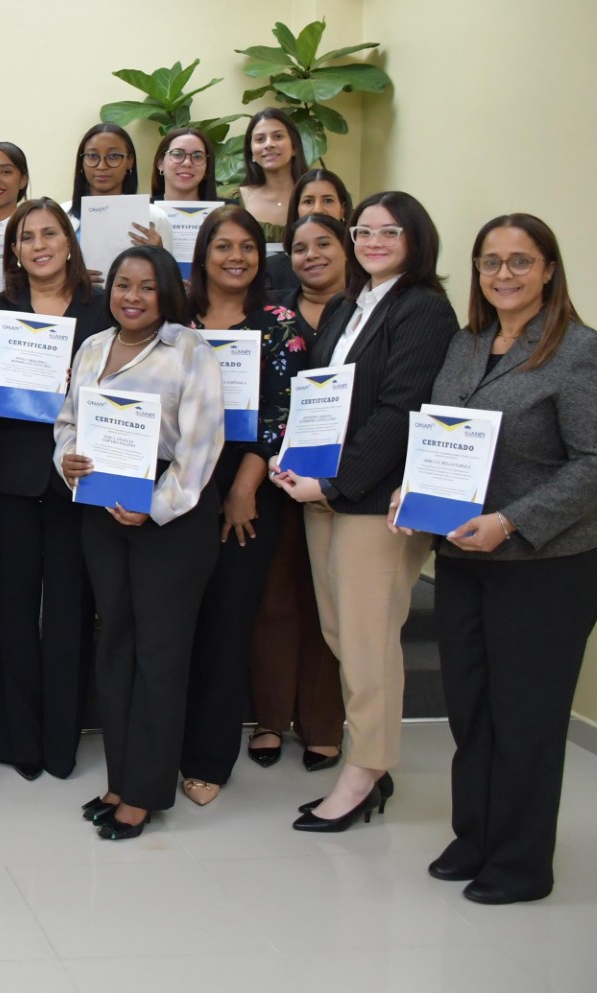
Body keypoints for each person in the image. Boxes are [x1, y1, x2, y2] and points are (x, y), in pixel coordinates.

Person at [415, 214, 597, 904]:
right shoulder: (467, 344)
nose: (503, 274)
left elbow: (593, 464)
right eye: (490, 261)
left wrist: (512, 521)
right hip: (464, 558)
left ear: (548, 269)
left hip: (544, 566)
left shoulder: (579, 351)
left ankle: (521, 863)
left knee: (526, 716)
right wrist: (415, 487)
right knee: (471, 708)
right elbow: (444, 435)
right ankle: (476, 835)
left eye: (521, 261)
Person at [272, 191, 457, 832]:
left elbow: (401, 411)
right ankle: (372, 762)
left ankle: (366, 770)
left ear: (416, 239)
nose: (373, 241)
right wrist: (294, 458)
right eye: (364, 231)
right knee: (341, 633)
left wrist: (334, 484)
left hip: (372, 502)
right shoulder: (349, 305)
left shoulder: (423, 308)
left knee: (368, 640)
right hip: (323, 492)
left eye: (389, 231)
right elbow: (320, 397)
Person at [59, 244, 225, 840]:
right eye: (123, 285)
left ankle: (145, 792)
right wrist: (66, 460)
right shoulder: (93, 346)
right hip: (102, 504)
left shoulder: (190, 350)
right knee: (116, 643)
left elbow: (202, 447)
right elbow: (68, 423)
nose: (132, 297)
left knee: (159, 653)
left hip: (168, 514)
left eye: (147, 287)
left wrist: (153, 507)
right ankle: (120, 778)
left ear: (167, 293)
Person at [0, 199, 109, 781]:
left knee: (71, 616)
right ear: (14, 251)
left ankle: (61, 743)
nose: (39, 246)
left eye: (49, 234)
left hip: (77, 478)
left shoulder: (101, 310)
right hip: (7, 479)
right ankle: (15, 740)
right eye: (26, 237)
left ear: (69, 242)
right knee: (8, 611)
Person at [176, 207, 306, 807]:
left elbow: (282, 413)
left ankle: (209, 757)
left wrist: (243, 490)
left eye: (248, 247)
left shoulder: (279, 323)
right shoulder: (177, 318)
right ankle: (164, 742)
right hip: (177, 483)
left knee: (228, 624)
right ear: (202, 254)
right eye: (223, 246)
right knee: (177, 623)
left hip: (246, 489)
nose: (236, 257)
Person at [247, 213, 349, 771]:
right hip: (274, 476)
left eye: (324, 244)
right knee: (274, 599)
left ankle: (322, 724)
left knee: (326, 603)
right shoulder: (273, 312)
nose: (312, 255)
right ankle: (270, 718)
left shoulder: (366, 314)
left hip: (343, 481)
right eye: (301, 247)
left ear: (346, 248)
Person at [266, 166, 352, 295]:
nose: (318, 209)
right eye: (308, 201)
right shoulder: (272, 270)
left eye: (328, 201)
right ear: (297, 209)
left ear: (343, 209)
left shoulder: (364, 265)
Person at [237, 108, 309, 246]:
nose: (269, 144)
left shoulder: (318, 197)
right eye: (260, 139)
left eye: (278, 136)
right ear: (251, 153)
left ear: (294, 147)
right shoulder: (233, 201)